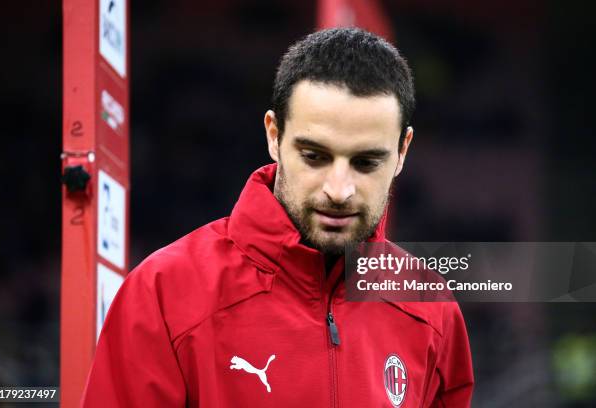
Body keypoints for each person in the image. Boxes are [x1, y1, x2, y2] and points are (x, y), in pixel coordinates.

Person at [81, 27, 473, 407]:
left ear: (402, 151)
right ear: (274, 135)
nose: (339, 190)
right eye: (314, 156)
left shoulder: (430, 306)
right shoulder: (162, 294)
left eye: (366, 162)